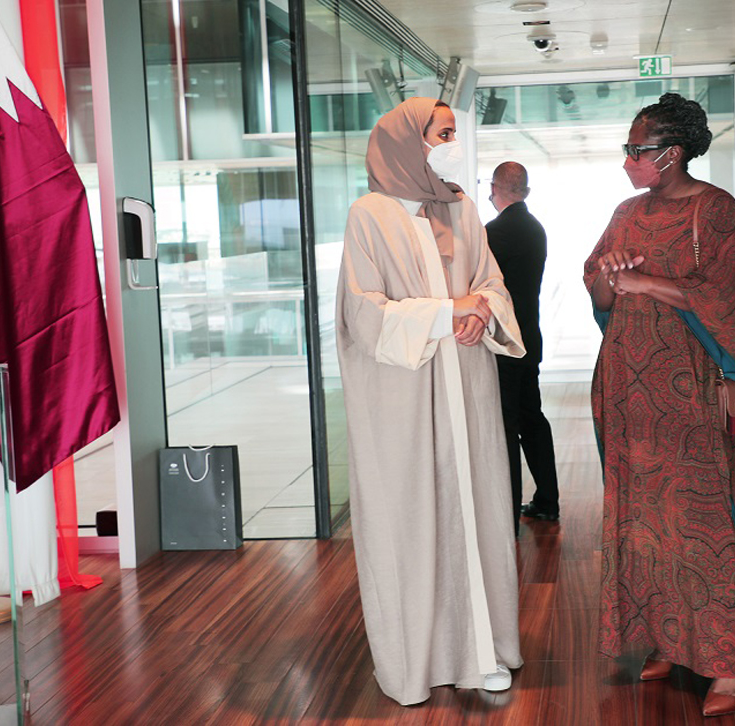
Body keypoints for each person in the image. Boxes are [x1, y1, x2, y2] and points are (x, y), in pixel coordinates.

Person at [336, 97, 526, 706]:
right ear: (407, 141)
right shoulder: (369, 215)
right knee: (410, 520)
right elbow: (362, 312)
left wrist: (483, 314)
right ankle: (414, 663)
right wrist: (449, 314)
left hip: (465, 387)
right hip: (404, 399)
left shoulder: (462, 208)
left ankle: (484, 650)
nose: (453, 144)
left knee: (475, 511)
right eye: (443, 134)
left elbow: (491, 284)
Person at [583, 93, 735, 717]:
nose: (628, 160)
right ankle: (664, 640)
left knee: (703, 521)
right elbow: (598, 288)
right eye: (628, 150)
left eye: (638, 151)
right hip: (627, 388)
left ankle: (730, 664)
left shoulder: (715, 212)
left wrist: (648, 282)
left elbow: (730, 295)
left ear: (673, 154)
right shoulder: (626, 211)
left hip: (688, 389)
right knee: (640, 521)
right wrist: (608, 272)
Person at [485, 162, 560, 533]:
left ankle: (507, 514)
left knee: (506, 425)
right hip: (530, 337)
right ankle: (548, 500)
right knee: (532, 419)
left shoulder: (493, 233)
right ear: (525, 191)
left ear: (494, 188)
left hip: (504, 342)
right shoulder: (535, 228)